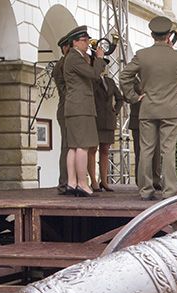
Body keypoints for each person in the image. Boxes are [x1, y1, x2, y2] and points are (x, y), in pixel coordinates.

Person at [120, 16, 177, 200]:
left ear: (152, 34)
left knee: (146, 151)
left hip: (148, 108)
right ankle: (170, 190)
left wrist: (133, 97)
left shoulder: (142, 55)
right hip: (170, 110)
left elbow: (124, 76)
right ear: (168, 36)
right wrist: (171, 50)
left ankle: (146, 190)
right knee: (168, 150)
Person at [63, 25, 105, 197]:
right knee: (82, 146)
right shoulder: (74, 57)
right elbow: (94, 74)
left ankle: (72, 182)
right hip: (81, 107)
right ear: (74, 42)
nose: (87, 43)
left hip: (75, 107)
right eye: (84, 40)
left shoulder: (75, 57)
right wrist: (100, 59)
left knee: (73, 147)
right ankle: (82, 183)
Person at [90, 60, 124, 192]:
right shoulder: (92, 81)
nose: (103, 67)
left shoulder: (110, 81)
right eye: (101, 65)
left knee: (105, 150)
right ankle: (93, 181)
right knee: (92, 149)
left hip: (108, 120)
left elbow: (119, 98)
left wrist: (115, 111)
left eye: (105, 65)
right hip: (95, 119)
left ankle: (104, 181)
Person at [124, 77, 161, 190]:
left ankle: (155, 179)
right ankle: (142, 181)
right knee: (140, 151)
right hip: (138, 118)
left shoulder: (153, 74)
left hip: (154, 116)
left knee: (156, 151)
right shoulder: (131, 79)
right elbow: (126, 96)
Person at [52, 34, 71, 195]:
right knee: (67, 146)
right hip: (66, 108)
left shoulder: (65, 63)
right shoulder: (63, 64)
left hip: (68, 108)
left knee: (71, 146)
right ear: (65, 48)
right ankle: (64, 182)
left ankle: (69, 181)